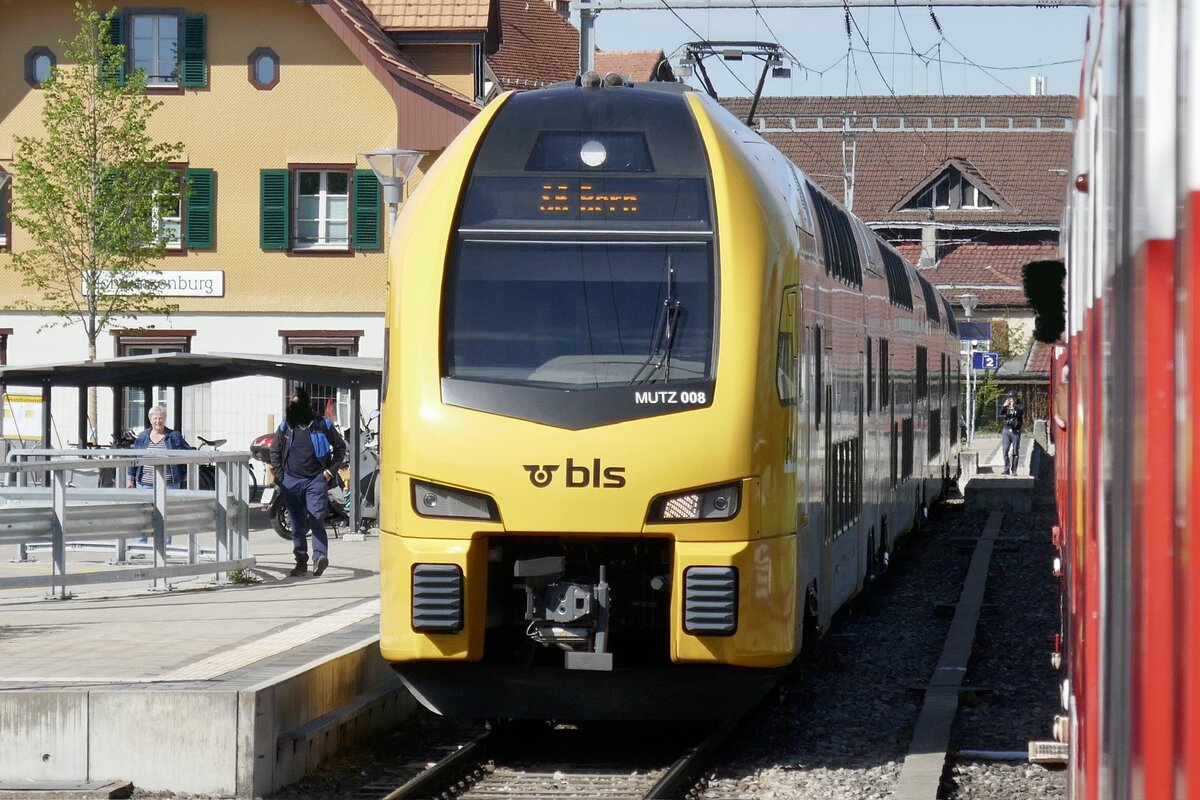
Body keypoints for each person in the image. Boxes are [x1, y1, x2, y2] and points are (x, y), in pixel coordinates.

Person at [269, 387, 346, 578]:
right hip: (291, 480)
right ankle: (301, 561)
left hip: (316, 480)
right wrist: (281, 475)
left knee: (316, 517)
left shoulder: (323, 424)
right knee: (296, 522)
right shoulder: (285, 426)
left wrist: (330, 471)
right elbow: (275, 450)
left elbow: (340, 448)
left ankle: (319, 557)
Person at [127, 405, 192, 489]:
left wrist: (185, 475)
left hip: (169, 485)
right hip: (145, 484)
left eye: (161, 418)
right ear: (150, 420)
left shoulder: (174, 436)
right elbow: (134, 457)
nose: (158, 421)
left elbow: (188, 453)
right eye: (155, 418)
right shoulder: (143, 436)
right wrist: (130, 479)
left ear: (164, 419)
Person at [1000, 390, 1025, 475]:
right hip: (1006, 430)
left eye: (1013, 398)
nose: (1011, 400)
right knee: (1005, 450)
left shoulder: (1020, 406)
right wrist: (1004, 406)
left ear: (1016, 398)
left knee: (1015, 451)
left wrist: (1014, 406)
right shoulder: (1006, 406)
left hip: (1015, 431)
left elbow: (1020, 413)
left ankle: (1014, 470)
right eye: (1010, 398)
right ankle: (1006, 468)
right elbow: (1001, 413)